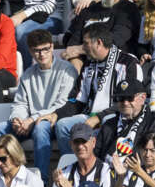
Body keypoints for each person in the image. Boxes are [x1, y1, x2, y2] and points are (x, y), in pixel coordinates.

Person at [0, 31, 75, 186]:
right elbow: (20, 103)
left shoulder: (67, 70)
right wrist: (17, 119)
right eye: (37, 50)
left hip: (53, 122)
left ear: (52, 47)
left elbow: (62, 104)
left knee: (40, 127)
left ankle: (41, 181)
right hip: (28, 123)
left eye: (45, 49)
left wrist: (32, 120)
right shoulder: (28, 74)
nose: (42, 54)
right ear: (30, 51)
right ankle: (7, 178)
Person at [53, 24, 143, 155]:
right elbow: (78, 101)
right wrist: (56, 114)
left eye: (86, 43)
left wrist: (99, 117)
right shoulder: (88, 65)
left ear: (99, 43)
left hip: (118, 115)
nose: (83, 48)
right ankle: (73, 163)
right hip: (89, 115)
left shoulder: (128, 62)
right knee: (62, 125)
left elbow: (130, 101)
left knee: (107, 121)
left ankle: (102, 162)